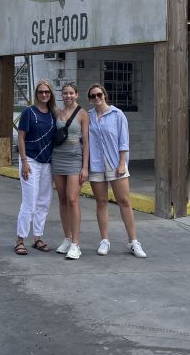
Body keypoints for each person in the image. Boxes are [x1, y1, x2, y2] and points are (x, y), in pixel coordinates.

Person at [86, 83, 146, 258]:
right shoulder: (88, 116)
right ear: (90, 99)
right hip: (96, 165)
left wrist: (122, 163)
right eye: (92, 96)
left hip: (115, 164)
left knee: (124, 201)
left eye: (99, 94)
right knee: (101, 202)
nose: (96, 98)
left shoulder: (117, 115)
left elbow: (123, 142)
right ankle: (104, 240)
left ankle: (133, 241)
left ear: (104, 95)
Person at [14, 79, 57, 255]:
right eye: (41, 92)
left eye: (47, 92)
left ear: (51, 94)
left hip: (47, 163)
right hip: (30, 161)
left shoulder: (53, 114)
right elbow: (21, 137)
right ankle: (20, 240)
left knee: (44, 203)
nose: (44, 95)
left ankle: (37, 238)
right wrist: (24, 161)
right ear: (36, 94)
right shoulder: (28, 112)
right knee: (29, 203)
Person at [52, 82, 89, 260]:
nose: (68, 96)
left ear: (76, 94)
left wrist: (85, 167)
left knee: (73, 199)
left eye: (71, 93)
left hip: (74, 158)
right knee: (62, 199)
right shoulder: (57, 112)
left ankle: (76, 243)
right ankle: (67, 238)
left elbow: (87, 142)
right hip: (58, 157)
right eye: (65, 93)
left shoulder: (82, 114)